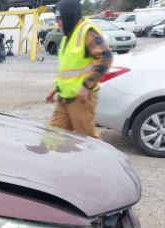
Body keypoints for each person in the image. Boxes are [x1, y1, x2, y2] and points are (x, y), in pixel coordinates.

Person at [46, 0, 113, 138]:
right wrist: (55, 89)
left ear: (70, 16)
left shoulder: (87, 32)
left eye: (60, 19)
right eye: (57, 19)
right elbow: (67, 69)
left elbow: (106, 57)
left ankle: (97, 159)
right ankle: (50, 158)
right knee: (52, 137)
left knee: (87, 140)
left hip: (81, 99)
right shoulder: (67, 36)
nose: (58, 23)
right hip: (64, 98)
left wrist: (86, 85)